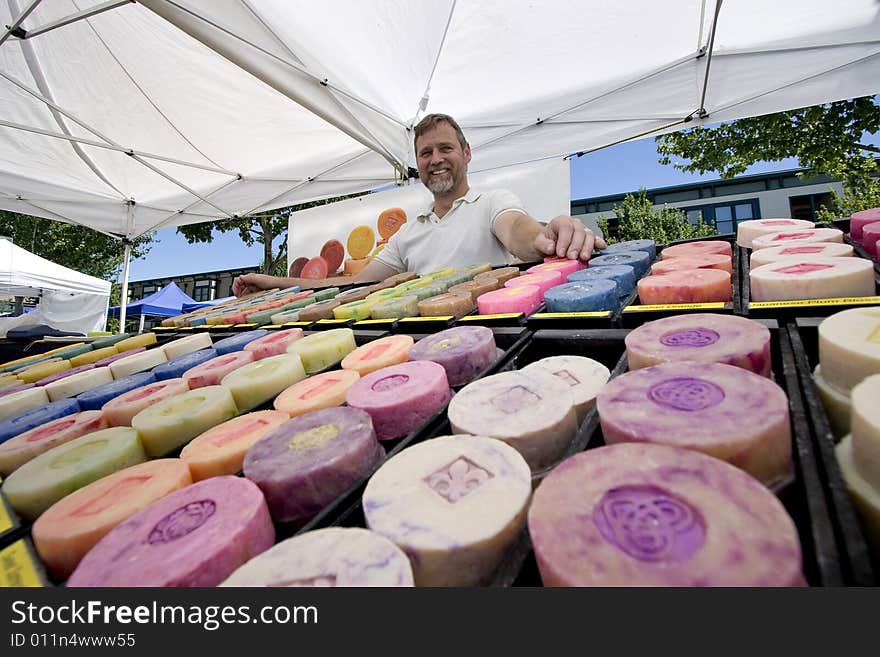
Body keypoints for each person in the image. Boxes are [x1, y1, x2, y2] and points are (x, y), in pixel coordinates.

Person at [232, 113, 605, 297]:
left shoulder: (492, 201)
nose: (436, 159)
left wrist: (546, 236)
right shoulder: (409, 232)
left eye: (446, 148)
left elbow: (518, 232)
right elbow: (351, 284)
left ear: (467, 153)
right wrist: (274, 284)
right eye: (426, 153)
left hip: (495, 339)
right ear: (417, 164)